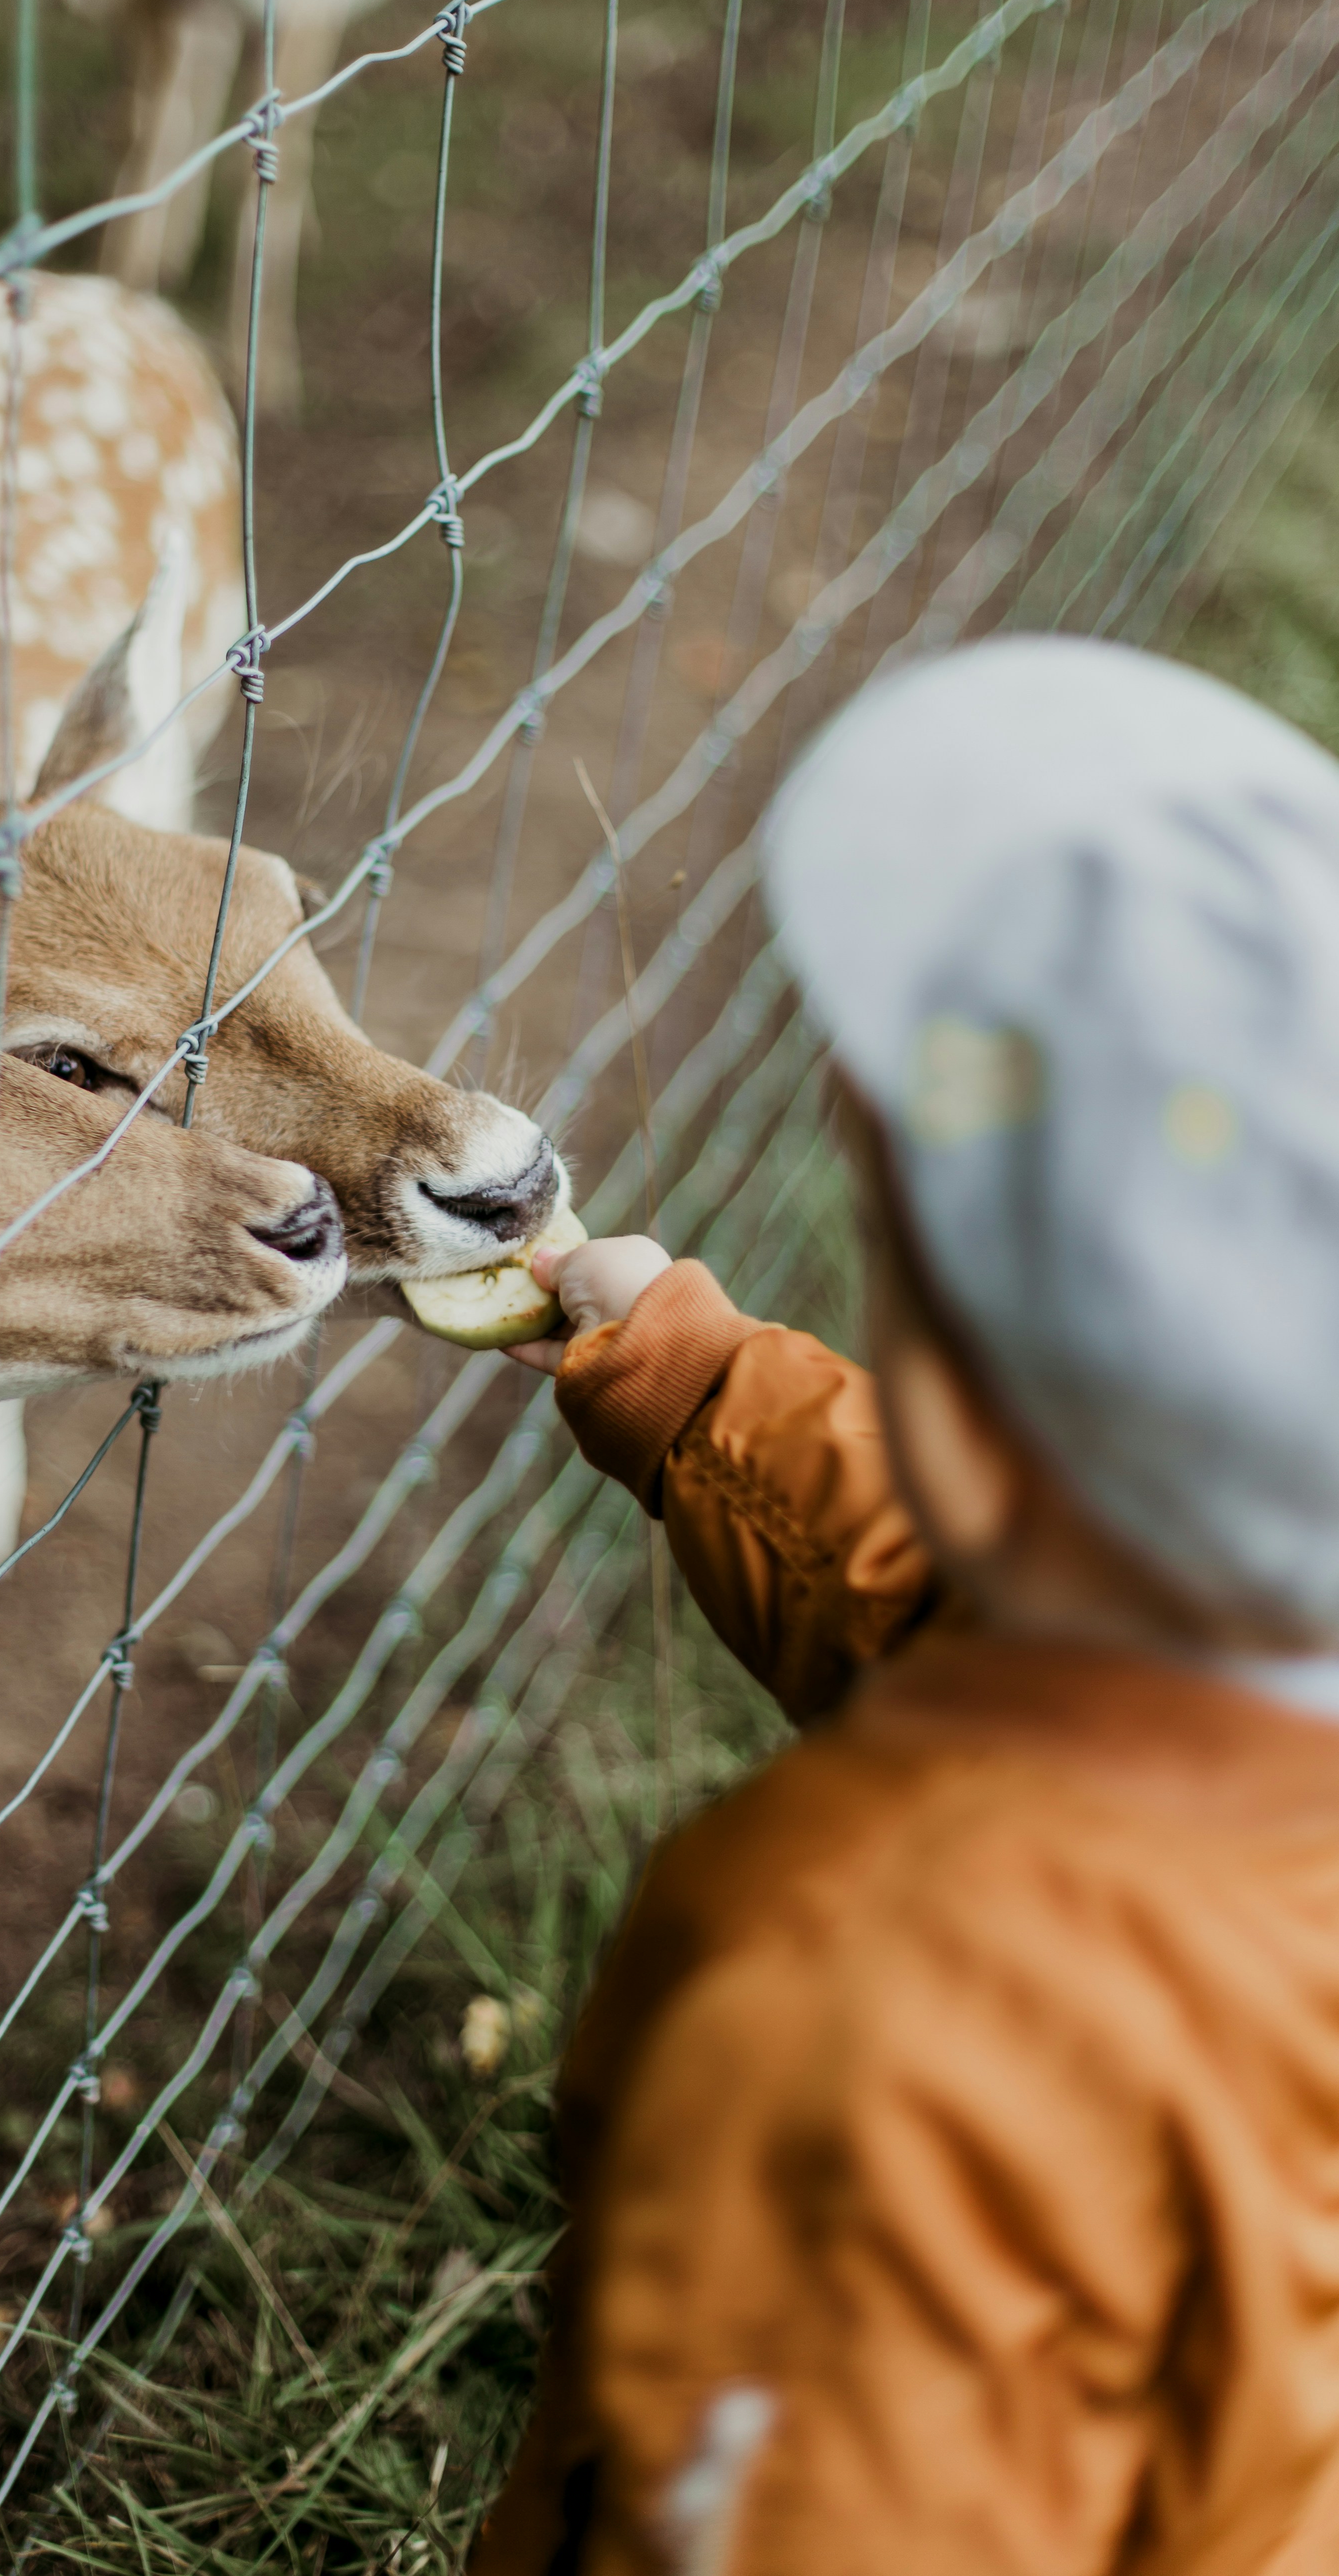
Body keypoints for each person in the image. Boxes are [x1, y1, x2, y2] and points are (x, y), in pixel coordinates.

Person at [476, 636, 1339, 2576]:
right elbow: (990, 1625)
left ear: (959, 1369)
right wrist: (698, 1390)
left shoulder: (882, 2012)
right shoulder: (1256, 1699)